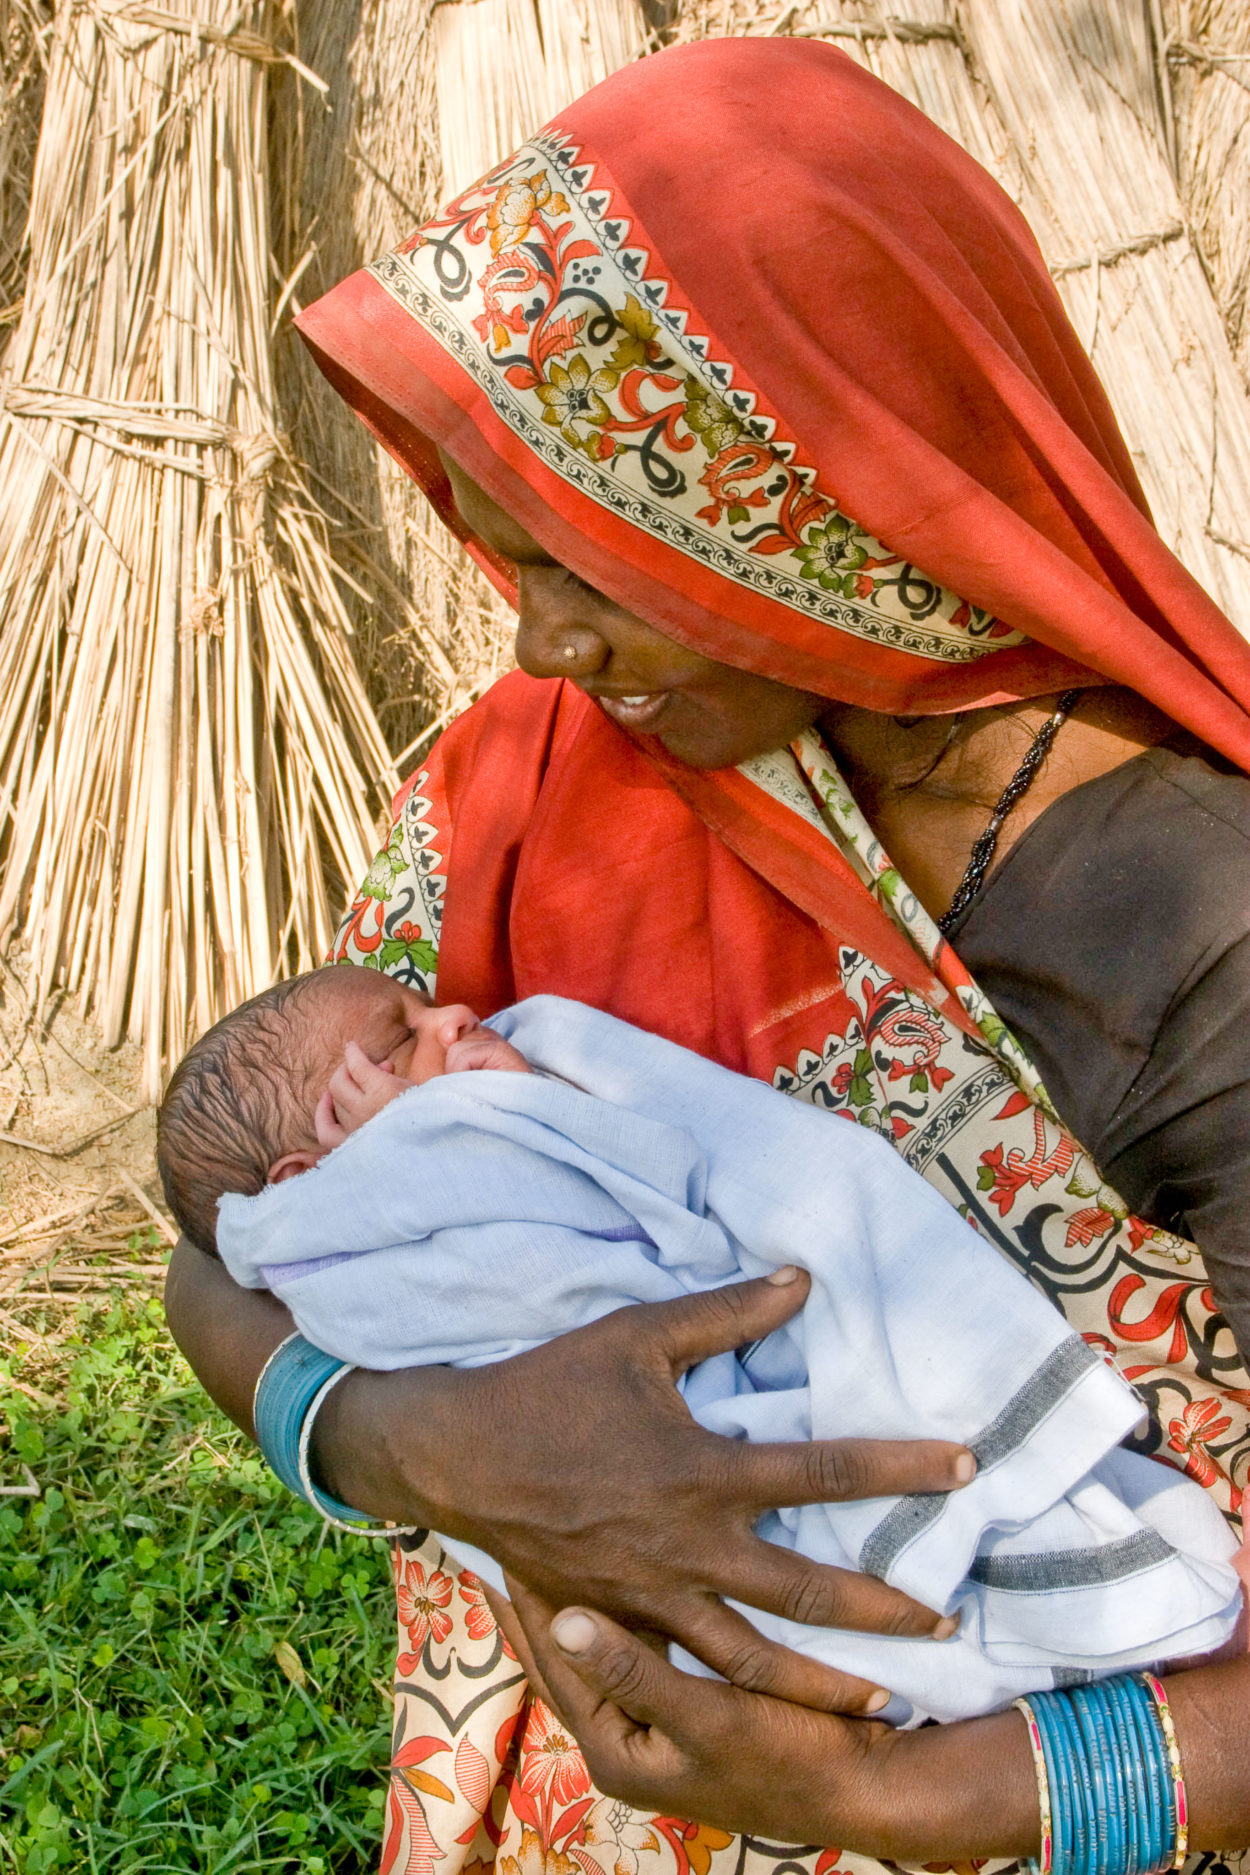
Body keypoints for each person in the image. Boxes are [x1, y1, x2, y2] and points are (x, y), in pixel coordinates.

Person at [163, 34, 1250, 1875]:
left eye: (590, 565)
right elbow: (231, 1250)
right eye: (504, 562)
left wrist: (895, 1799)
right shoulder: (515, 795)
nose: (536, 653)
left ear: (819, 504)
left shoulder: (1197, 931)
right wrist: (419, 1444)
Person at [157, 971, 1243, 1728]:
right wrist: (400, 1437)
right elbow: (214, 1258)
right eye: (403, 1039)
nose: (456, 1011)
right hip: (633, 1625)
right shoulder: (477, 817)